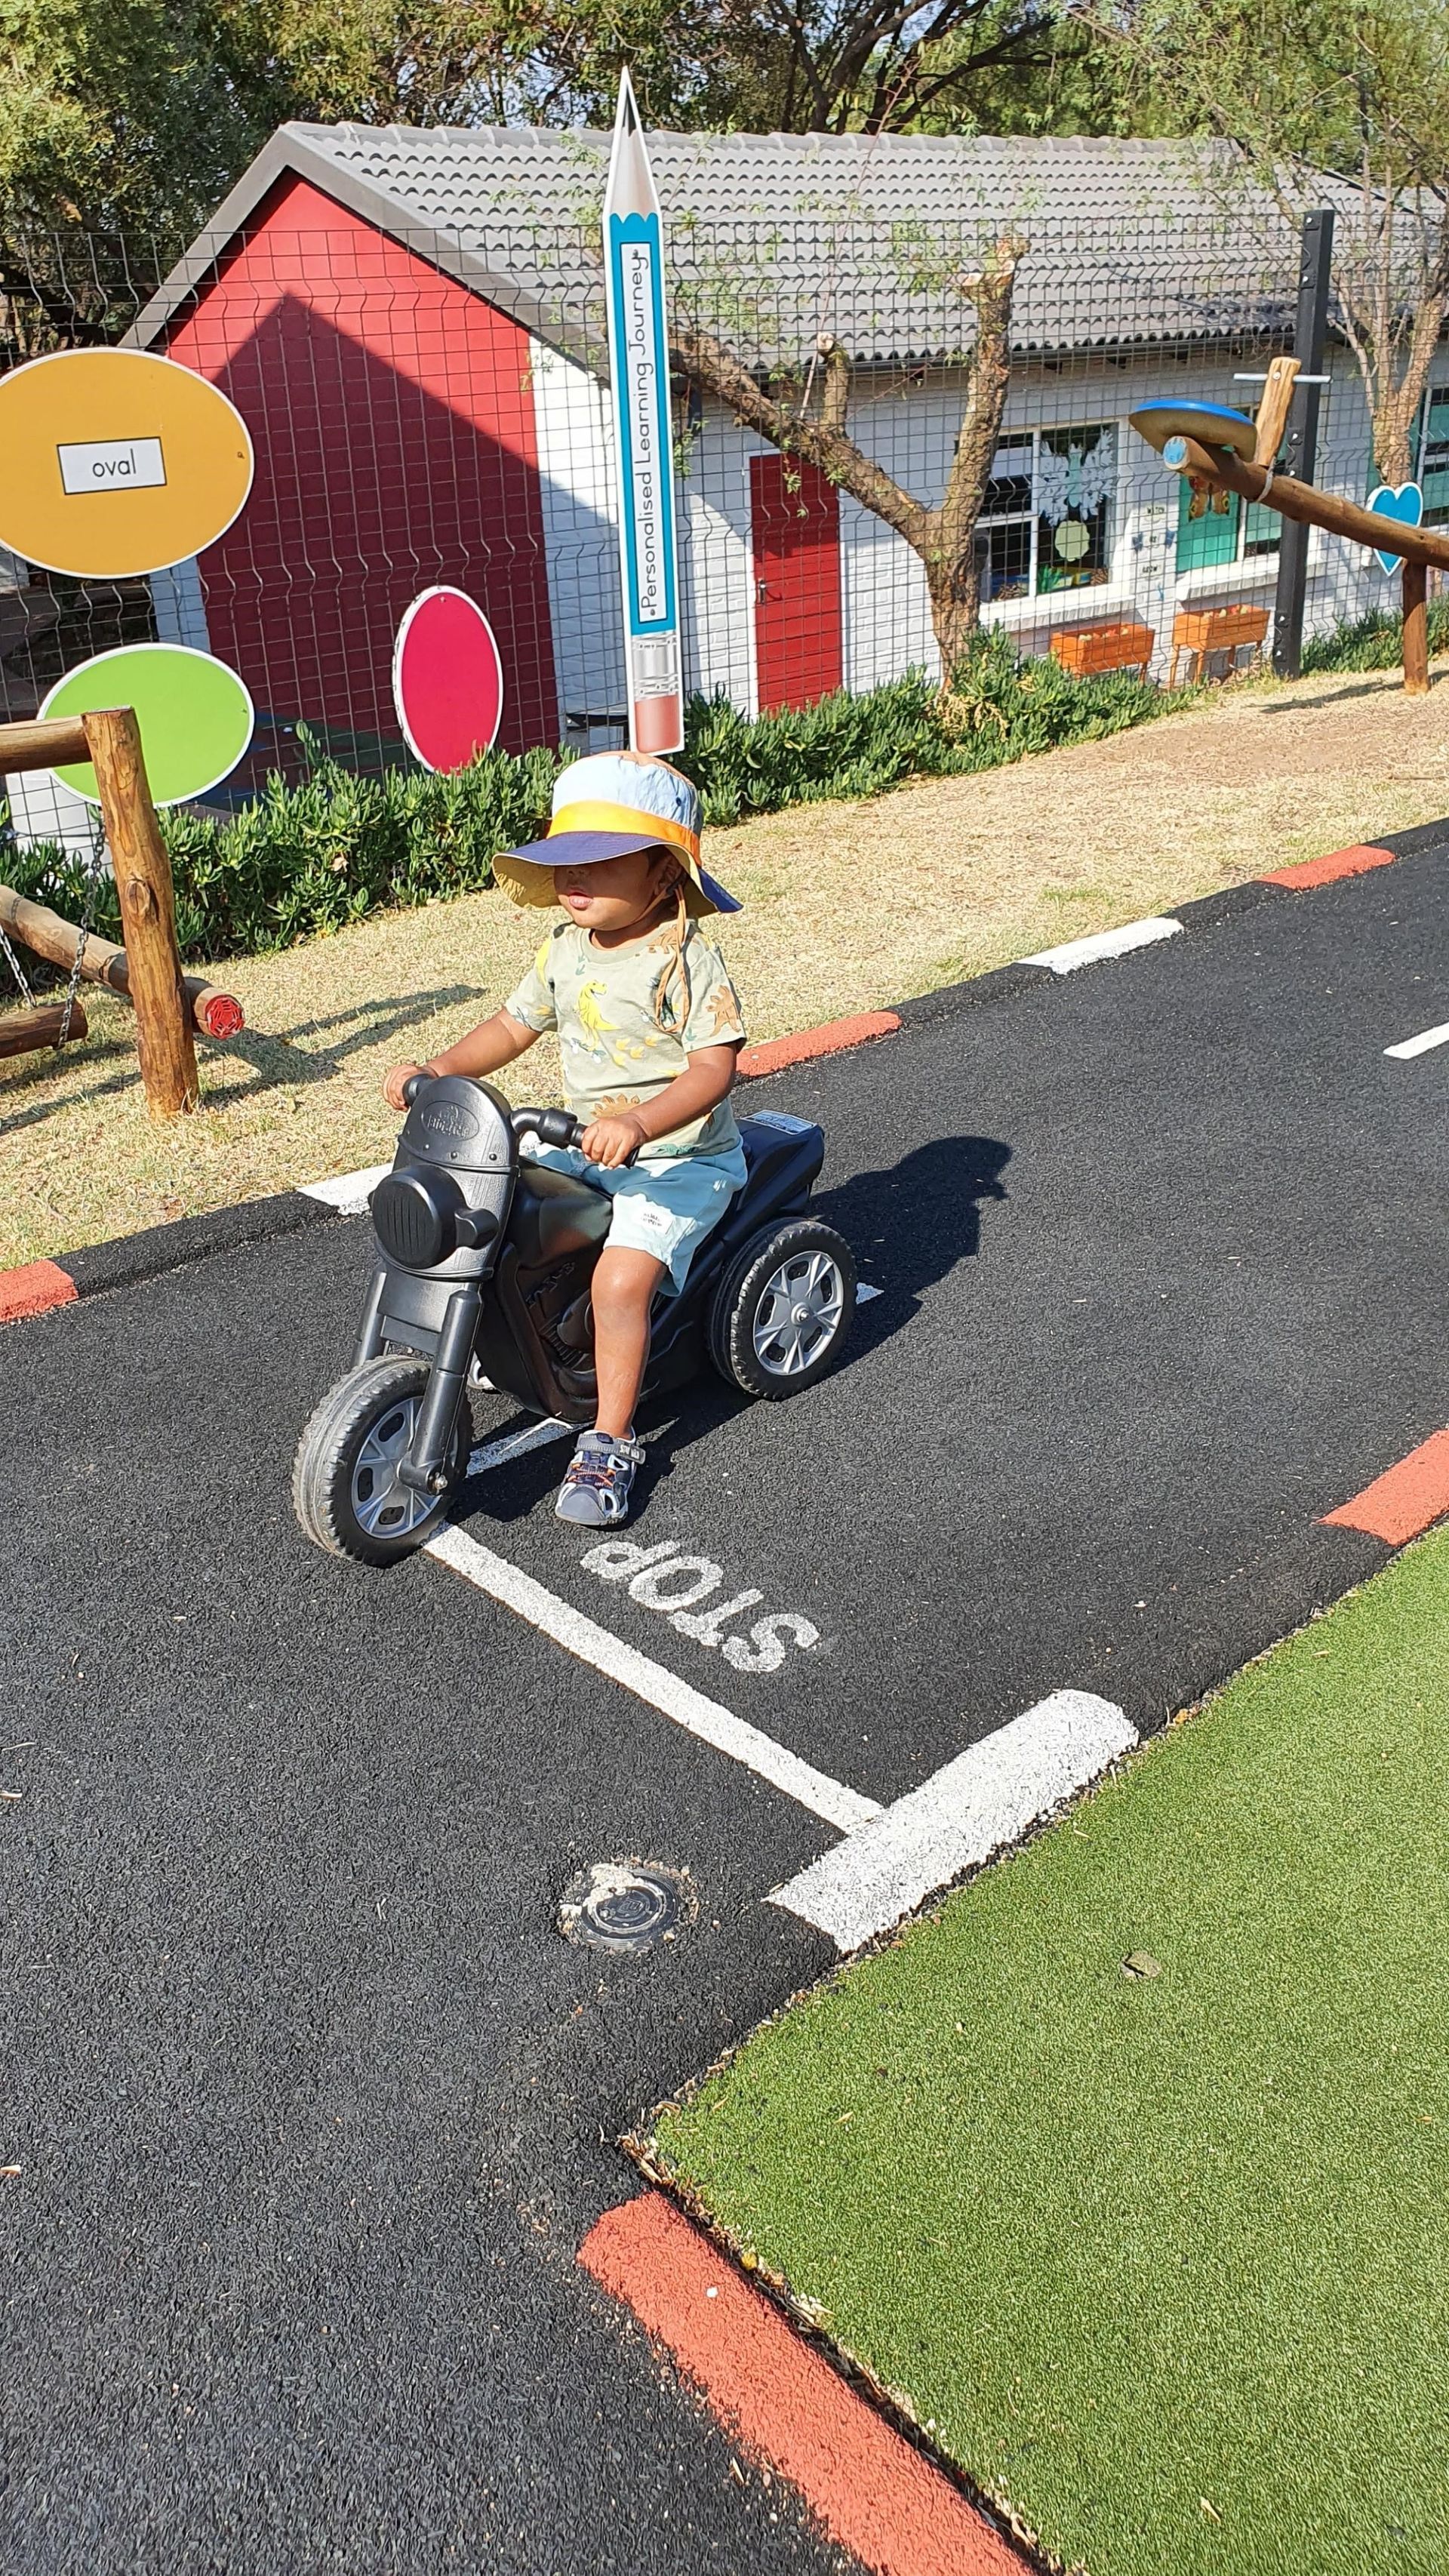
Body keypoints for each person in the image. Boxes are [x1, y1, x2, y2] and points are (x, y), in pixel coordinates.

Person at [383, 750, 747, 1528]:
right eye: (563, 861)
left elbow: (715, 1068)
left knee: (618, 1282)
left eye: (600, 861)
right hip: (587, 1143)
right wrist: (441, 1067)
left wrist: (642, 1123)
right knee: (495, 1210)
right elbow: (513, 1024)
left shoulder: (684, 957)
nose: (572, 879)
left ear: (661, 876)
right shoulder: (563, 947)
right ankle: (499, 1342)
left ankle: (610, 1438)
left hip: (675, 1162)